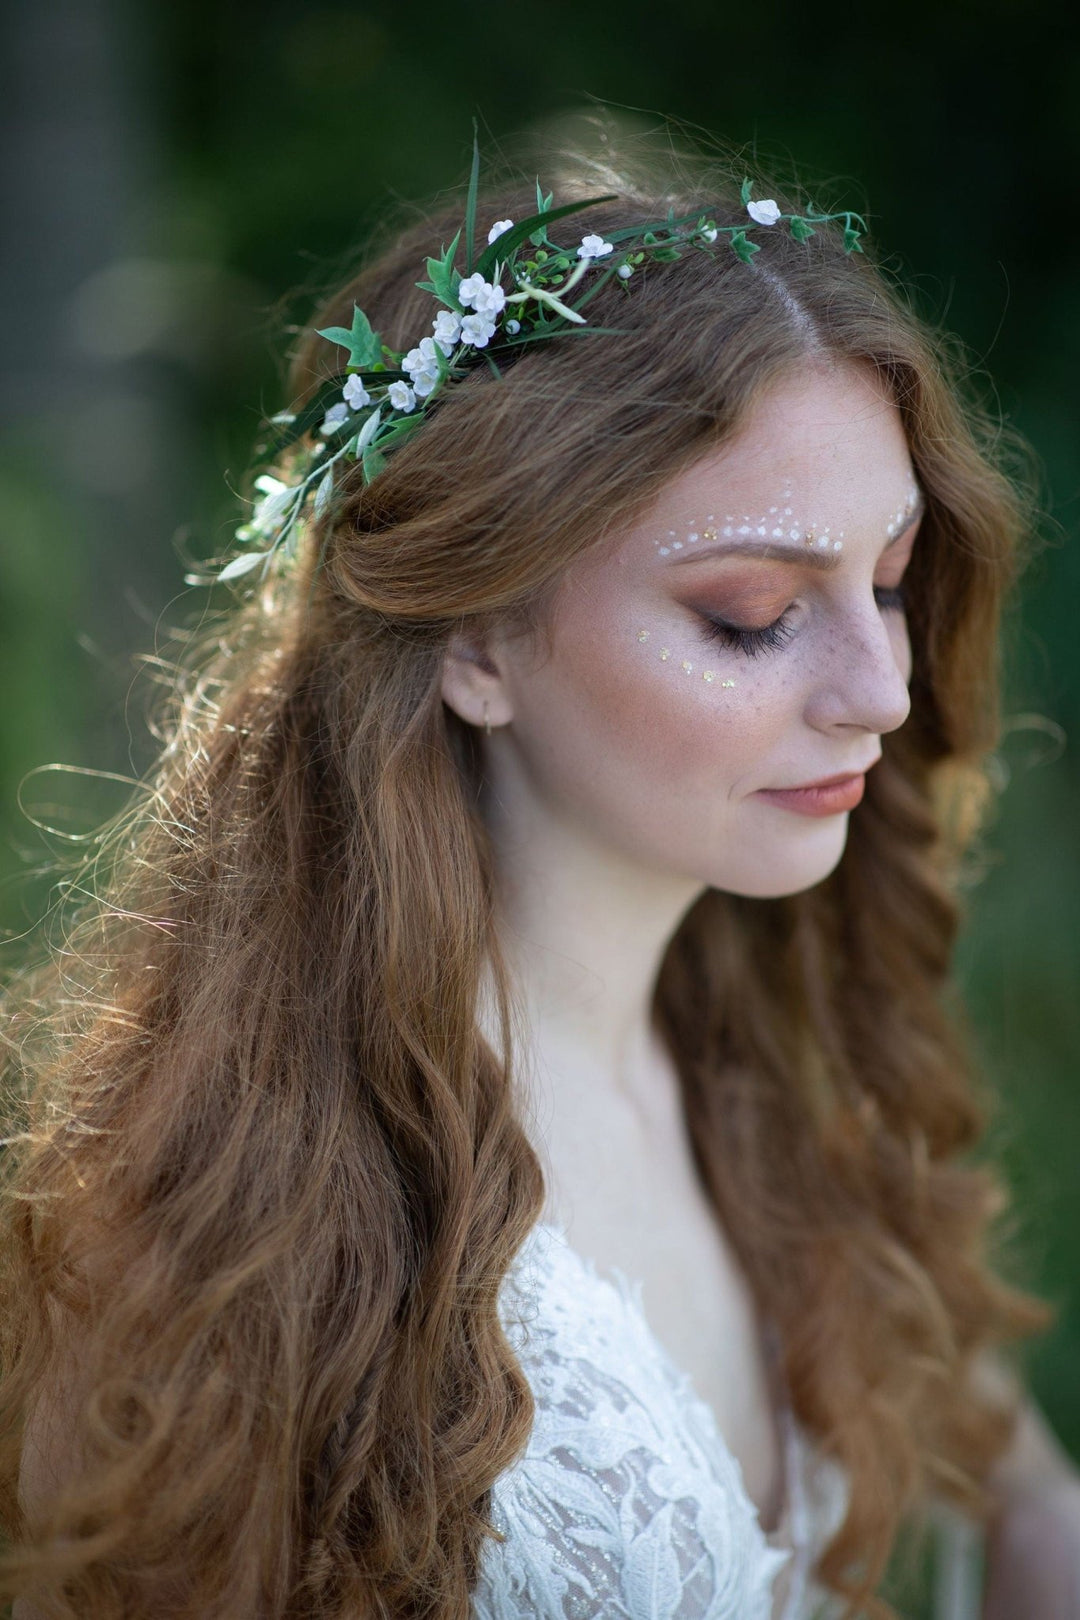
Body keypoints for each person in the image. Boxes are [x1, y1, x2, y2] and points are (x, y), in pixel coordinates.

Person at [1, 117, 1077, 1620]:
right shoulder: (264, 1218)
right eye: (756, 612)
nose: (881, 689)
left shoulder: (790, 1071)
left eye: (890, 584)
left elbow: (1028, 1491)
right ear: (478, 640)